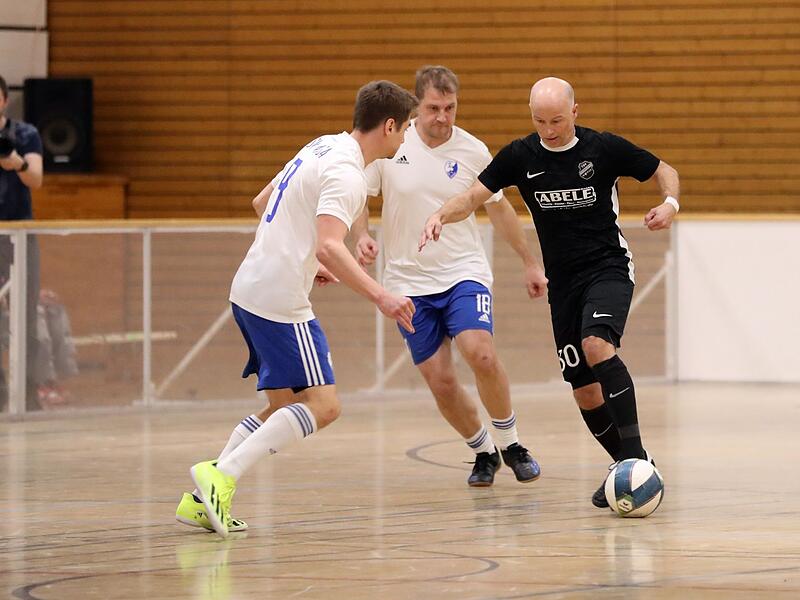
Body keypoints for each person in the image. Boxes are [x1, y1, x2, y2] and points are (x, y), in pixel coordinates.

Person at [419, 77, 680, 508]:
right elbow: (471, 198)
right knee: (583, 388)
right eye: (540, 121)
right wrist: (439, 216)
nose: (549, 129)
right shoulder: (522, 156)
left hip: (608, 268)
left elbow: (664, 171)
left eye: (557, 120)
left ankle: (634, 457)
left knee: (597, 346)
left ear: (575, 112)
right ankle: (627, 465)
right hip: (564, 283)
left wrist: (670, 205)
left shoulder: (603, 148)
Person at [177, 80, 419, 538]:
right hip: (278, 298)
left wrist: (304, 254)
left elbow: (262, 202)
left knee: (285, 405)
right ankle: (220, 476)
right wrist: (382, 296)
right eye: (404, 128)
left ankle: (201, 501)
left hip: (250, 286)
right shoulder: (350, 176)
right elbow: (331, 246)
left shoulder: (322, 145)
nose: (405, 137)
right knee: (324, 406)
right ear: (388, 126)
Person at [351, 66, 546, 487]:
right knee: (440, 381)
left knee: (481, 353)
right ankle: (483, 451)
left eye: (450, 107)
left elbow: (499, 209)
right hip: (407, 280)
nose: (443, 117)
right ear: (416, 106)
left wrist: (530, 261)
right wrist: (362, 234)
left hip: (462, 272)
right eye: (433, 108)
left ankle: (511, 443)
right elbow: (360, 196)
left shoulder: (473, 150)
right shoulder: (393, 146)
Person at [0, 74, 44, 411]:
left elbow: (37, 179)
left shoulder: (25, 134)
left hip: (18, 234)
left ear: (4, 100)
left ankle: (27, 392)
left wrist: (16, 163)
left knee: (24, 312)